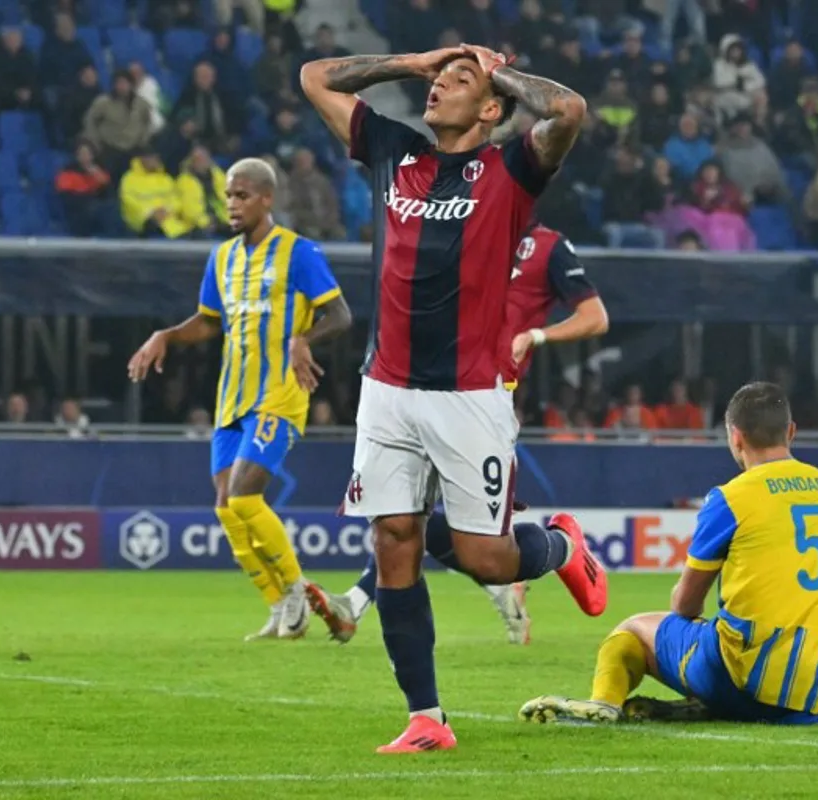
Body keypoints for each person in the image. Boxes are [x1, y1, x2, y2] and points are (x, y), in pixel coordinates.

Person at [300, 43, 600, 754]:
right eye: (438, 80)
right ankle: (426, 717)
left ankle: (559, 546)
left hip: (469, 396)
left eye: (457, 81)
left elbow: (568, 109)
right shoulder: (393, 152)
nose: (438, 88)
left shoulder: (512, 169)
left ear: (492, 106)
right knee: (394, 541)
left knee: (485, 558)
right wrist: (413, 63)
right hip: (387, 391)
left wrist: (494, 70)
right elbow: (314, 77)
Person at [305, 223, 609, 647]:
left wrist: (536, 335)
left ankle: (559, 549)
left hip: (484, 401)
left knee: (482, 552)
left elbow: (595, 317)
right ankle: (356, 606)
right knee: (403, 517)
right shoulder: (460, 227)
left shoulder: (549, 246)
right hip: (423, 389)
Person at [519, 382, 818, 726]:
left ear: (735, 437)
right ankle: (703, 708)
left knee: (632, 631)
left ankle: (604, 704)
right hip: (807, 706)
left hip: (737, 680)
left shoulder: (731, 498)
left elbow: (686, 605)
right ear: (791, 432)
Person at [127, 158, 353, 642]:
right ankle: (277, 608)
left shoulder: (298, 252)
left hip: (279, 394)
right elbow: (209, 321)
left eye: (242, 195)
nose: (232, 204)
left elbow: (340, 314)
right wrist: (166, 334)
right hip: (232, 397)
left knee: (245, 496)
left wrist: (304, 339)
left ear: (267, 199)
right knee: (226, 508)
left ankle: (296, 592)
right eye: (229, 195)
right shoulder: (222, 257)